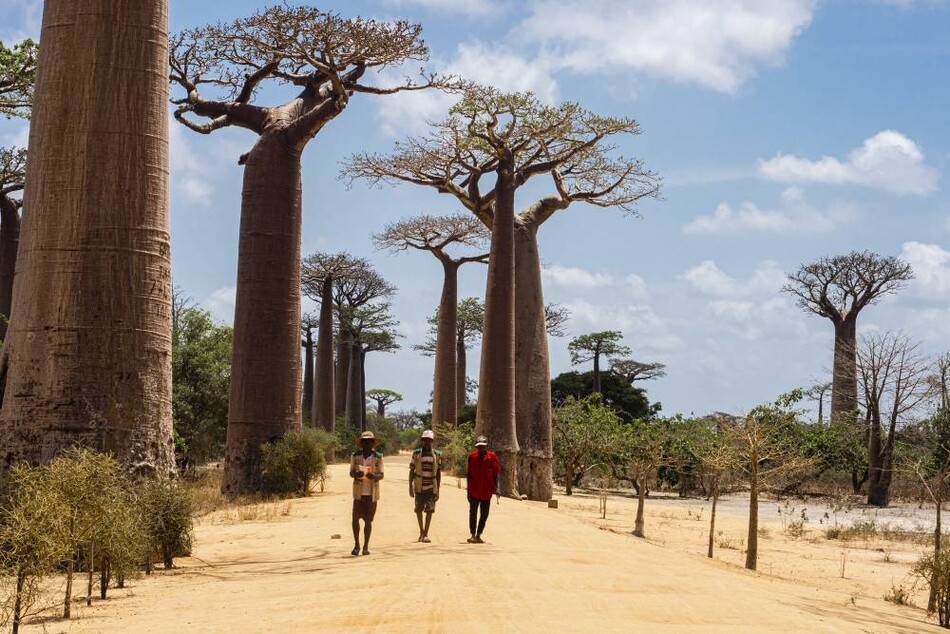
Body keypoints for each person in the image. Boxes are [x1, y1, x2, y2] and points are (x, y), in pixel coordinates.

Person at [349, 430, 384, 556]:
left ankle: (365, 546)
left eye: (369, 442)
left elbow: (381, 475)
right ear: (362, 443)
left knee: (368, 521)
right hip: (359, 492)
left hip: (371, 493)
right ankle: (356, 544)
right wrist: (356, 474)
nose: (367, 444)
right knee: (355, 519)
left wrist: (373, 475)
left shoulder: (378, 457)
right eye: (365, 442)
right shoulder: (355, 455)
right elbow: (351, 472)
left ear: (372, 443)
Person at [409, 429, 441, 543]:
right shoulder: (416, 453)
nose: (427, 442)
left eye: (429, 440)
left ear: (432, 441)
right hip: (419, 486)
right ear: (423, 441)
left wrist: (438, 490)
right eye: (425, 440)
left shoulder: (437, 454)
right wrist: (410, 487)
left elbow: (438, 473)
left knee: (429, 510)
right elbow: (412, 470)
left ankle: (426, 534)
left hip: (431, 487)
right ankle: (421, 531)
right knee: (418, 510)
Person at [466, 435, 499, 544]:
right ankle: (472, 534)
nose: (481, 449)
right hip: (474, 490)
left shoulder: (492, 457)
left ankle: (479, 534)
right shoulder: (472, 457)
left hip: (487, 491)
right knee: (473, 513)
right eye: (479, 447)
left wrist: (497, 488)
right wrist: (468, 491)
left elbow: (496, 474)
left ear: (486, 446)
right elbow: (469, 474)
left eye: (483, 447)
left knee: (484, 514)